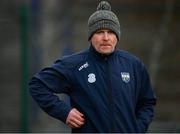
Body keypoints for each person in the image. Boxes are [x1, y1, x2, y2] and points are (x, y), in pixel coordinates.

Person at [29, 1, 156, 133]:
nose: (106, 38)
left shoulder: (133, 65)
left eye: (111, 32)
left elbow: (147, 102)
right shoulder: (74, 65)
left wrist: (138, 129)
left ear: (117, 37)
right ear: (90, 36)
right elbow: (37, 85)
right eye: (100, 32)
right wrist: (65, 112)